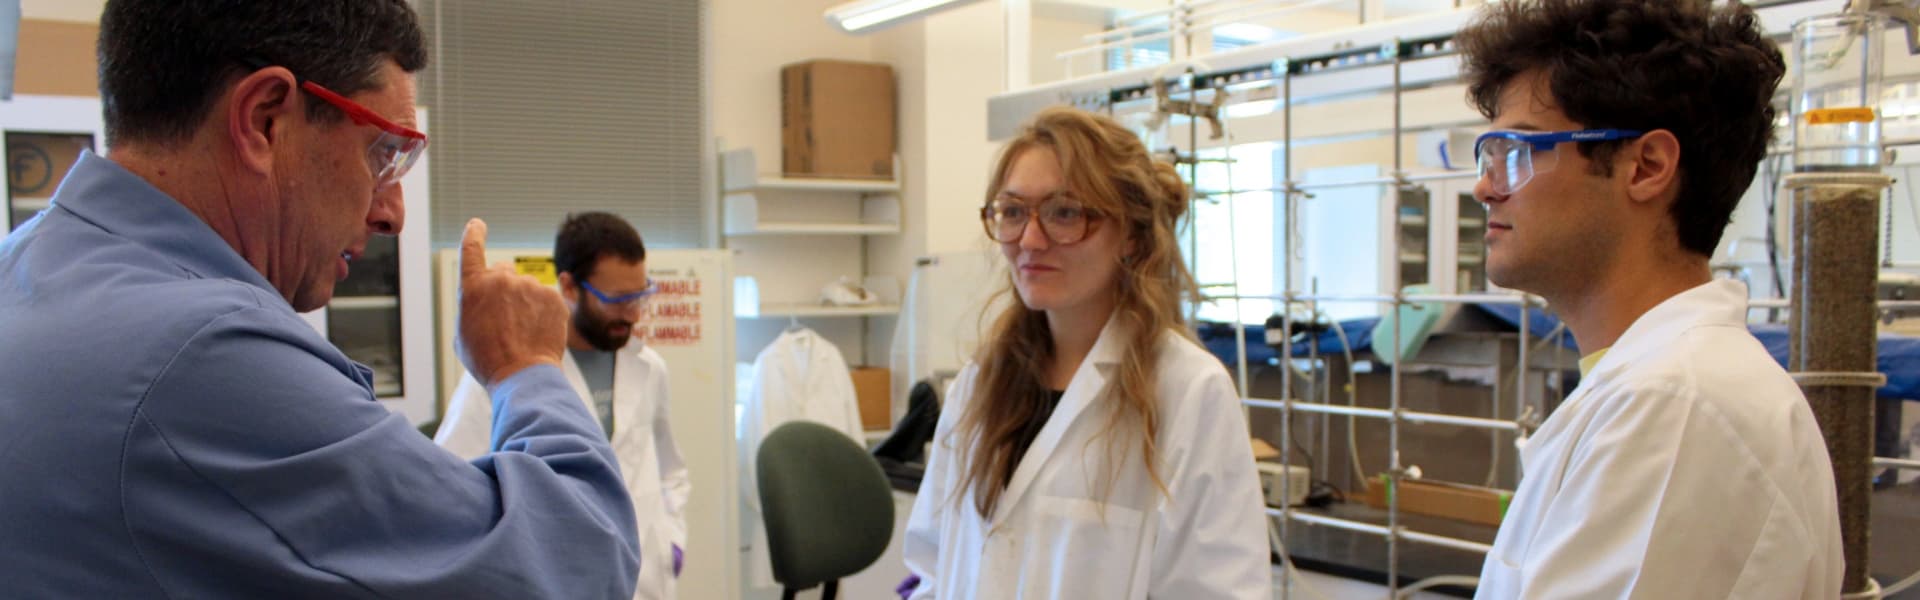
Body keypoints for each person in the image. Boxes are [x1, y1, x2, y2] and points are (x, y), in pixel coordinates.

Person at [0, 1, 640, 597]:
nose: (391, 214)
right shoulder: (204, 355)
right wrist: (524, 366)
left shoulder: (23, 263)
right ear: (264, 119)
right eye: (384, 153)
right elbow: (582, 560)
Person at [1454, 1, 1842, 597]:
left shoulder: (1675, 404)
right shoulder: (1653, 387)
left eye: (1519, 150)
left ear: (1647, 167)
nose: (1485, 186)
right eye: (1491, 153)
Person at [900, 106, 1271, 599]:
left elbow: (1217, 591)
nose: (1030, 240)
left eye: (1065, 213)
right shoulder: (980, 382)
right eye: (1012, 212)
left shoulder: (1187, 391)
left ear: (1133, 235)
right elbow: (933, 565)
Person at [436, 212, 689, 600]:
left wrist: (672, 539)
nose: (634, 315)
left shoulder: (650, 368)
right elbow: (450, 480)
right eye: (618, 300)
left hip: (647, 578)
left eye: (640, 296)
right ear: (569, 286)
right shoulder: (504, 373)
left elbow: (671, 469)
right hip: (555, 581)